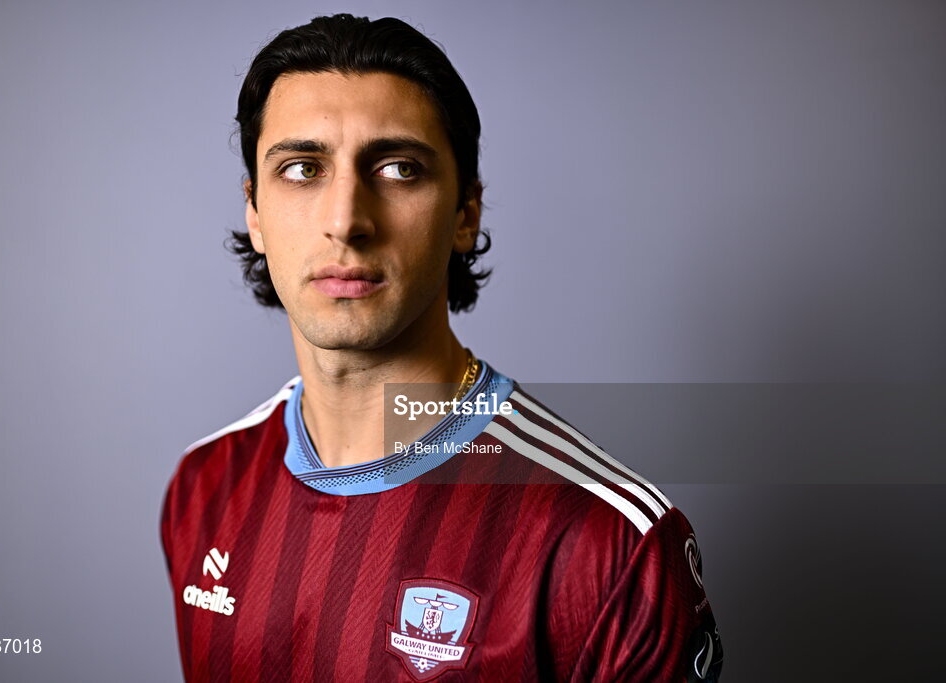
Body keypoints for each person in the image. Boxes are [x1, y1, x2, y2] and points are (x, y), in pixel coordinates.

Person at [160, 13, 722, 682]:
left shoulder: (610, 545)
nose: (346, 219)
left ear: (465, 213)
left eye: (399, 168)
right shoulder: (203, 487)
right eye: (303, 168)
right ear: (254, 211)